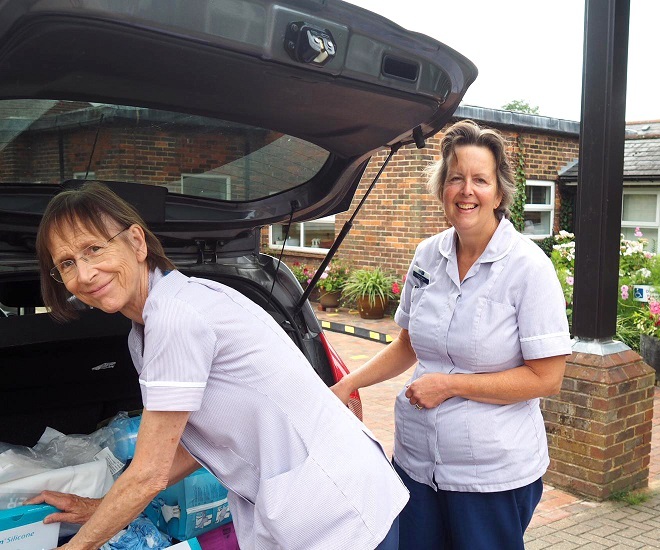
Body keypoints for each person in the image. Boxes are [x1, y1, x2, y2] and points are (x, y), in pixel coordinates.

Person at [28, 181, 408, 550]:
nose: (84, 274)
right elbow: (192, 444)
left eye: (94, 249)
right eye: (67, 263)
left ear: (137, 242)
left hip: (339, 510)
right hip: (315, 504)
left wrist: (80, 545)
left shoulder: (176, 317)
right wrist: (104, 508)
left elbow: (150, 474)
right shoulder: (150, 325)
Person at [331, 120, 571, 550]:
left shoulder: (528, 268)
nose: (466, 190)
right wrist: (349, 384)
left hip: (490, 478)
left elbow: (546, 378)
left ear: (499, 194)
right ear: (442, 188)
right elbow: (408, 344)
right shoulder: (428, 254)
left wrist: (450, 385)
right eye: (456, 178)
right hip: (416, 465)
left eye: (480, 179)